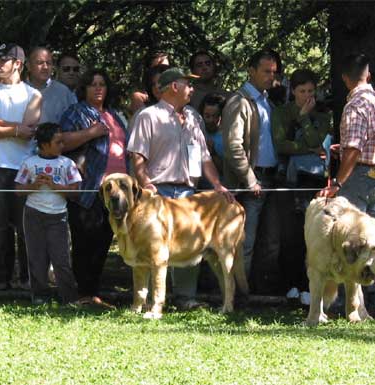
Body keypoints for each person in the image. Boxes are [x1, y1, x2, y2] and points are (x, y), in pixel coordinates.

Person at [128, 67, 231, 309]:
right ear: (174, 86)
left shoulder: (194, 117)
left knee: (189, 244)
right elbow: (138, 156)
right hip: (157, 192)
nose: (193, 89)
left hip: (187, 193)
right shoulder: (148, 116)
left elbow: (205, 157)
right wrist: (146, 185)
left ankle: (186, 298)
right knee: (153, 248)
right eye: (189, 84)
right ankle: (153, 301)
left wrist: (217, 185)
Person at [317, 53, 375, 317]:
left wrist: (337, 182)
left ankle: (349, 306)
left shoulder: (354, 106)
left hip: (358, 178)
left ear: (344, 78)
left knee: (350, 242)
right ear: (369, 75)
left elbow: (353, 150)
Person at [59, 68, 128, 307]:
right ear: (84, 89)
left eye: (102, 84)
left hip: (116, 190)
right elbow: (62, 141)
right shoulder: (76, 111)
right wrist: (91, 132)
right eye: (92, 84)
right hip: (90, 187)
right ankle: (82, 294)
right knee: (84, 241)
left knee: (103, 241)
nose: (98, 88)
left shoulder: (114, 115)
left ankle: (93, 292)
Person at [0, 43, 42, 291]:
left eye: (3, 61)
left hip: (24, 170)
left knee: (25, 227)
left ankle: (28, 278)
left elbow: (28, 132)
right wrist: (14, 128)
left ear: (17, 64)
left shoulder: (33, 95)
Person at [271, 68, 333, 303]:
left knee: (313, 234)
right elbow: (281, 145)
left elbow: (318, 140)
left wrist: (305, 117)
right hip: (289, 179)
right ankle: (290, 283)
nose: (306, 95)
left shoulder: (323, 115)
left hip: (314, 181)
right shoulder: (281, 112)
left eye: (310, 91)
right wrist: (309, 149)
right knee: (290, 235)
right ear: (292, 91)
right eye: (301, 91)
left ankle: (310, 286)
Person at [221, 49, 280, 291]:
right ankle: (238, 294)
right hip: (250, 184)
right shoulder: (239, 101)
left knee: (270, 242)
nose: (271, 76)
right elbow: (233, 146)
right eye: (266, 71)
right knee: (244, 243)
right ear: (252, 71)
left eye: (274, 72)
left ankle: (259, 291)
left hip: (272, 178)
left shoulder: (267, 101)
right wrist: (249, 179)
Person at [15, 122, 81, 305]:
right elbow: (19, 190)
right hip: (33, 215)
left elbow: (75, 192)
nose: (62, 145)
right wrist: (33, 186)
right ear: (44, 144)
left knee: (61, 259)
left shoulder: (67, 164)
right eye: (58, 142)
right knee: (36, 258)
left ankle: (69, 298)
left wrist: (55, 186)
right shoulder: (29, 163)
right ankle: (40, 296)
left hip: (58, 216)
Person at [26, 47, 77, 124]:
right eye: (40, 63)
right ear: (28, 66)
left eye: (48, 63)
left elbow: (75, 122)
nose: (45, 67)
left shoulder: (63, 92)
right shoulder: (17, 91)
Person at [198, 92, 226, 174]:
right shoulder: (196, 133)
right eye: (207, 116)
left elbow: (226, 171)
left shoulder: (226, 137)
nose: (211, 120)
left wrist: (213, 153)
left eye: (215, 116)